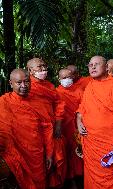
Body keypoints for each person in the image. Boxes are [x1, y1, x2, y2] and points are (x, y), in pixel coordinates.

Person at [76, 56, 113, 188]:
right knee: (92, 178)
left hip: (109, 143)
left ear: (106, 68)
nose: (93, 67)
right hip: (91, 142)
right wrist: (79, 120)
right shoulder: (90, 85)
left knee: (111, 176)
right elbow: (82, 109)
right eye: (90, 64)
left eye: (97, 64)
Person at [1, 69, 54, 188]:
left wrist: (49, 154)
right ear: (11, 83)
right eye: (19, 83)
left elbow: (47, 129)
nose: (24, 86)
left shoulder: (39, 102)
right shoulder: (3, 102)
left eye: (27, 82)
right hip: (14, 153)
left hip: (36, 153)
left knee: (39, 182)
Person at [26, 58, 66, 187]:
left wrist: (59, 123)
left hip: (52, 129)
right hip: (34, 131)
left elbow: (59, 103)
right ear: (30, 70)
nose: (43, 69)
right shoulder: (25, 85)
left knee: (55, 159)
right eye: (39, 67)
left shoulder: (49, 86)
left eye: (44, 65)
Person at [56, 69, 83, 183]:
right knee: (67, 152)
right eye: (63, 78)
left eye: (69, 77)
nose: (67, 80)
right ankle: (70, 178)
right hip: (64, 128)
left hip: (78, 126)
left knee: (79, 151)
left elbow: (84, 106)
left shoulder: (79, 90)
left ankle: (81, 175)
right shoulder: (56, 92)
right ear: (59, 79)